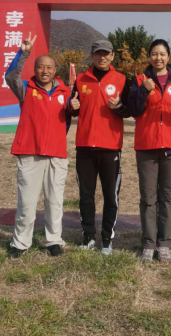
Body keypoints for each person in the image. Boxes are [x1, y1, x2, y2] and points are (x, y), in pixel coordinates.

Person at [5, 33, 72, 258]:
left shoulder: (65, 92)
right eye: (41, 67)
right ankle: (20, 243)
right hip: (30, 152)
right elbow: (10, 75)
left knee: (55, 201)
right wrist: (23, 53)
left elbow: (71, 116)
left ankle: (53, 240)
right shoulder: (25, 89)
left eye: (49, 67)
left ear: (55, 71)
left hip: (56, 154)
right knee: (27, 202)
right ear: (34, 69)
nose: (45, 71)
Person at [128, 39, 171, 262]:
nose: (158, 58)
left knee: (168, 197)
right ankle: (148, 243)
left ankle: (164, 244)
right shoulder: (140, 80)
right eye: (154, 54)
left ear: (168, 57)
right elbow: (133, 110)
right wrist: (143, 91)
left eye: (162, 54)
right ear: (149, 57)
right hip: (146, 147)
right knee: (148, 198)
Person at [69, 40, 131, 255]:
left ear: (112, 56)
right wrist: (71, 107)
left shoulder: (122, 79)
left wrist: (119, 107)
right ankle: (88, 236)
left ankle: (106, 239)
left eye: (106, 54)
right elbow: (73, 107)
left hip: (110, 147)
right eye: (98, 53)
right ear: (92, 55)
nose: (101, 57)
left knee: (110, 196)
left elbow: (130, 110)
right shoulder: (80, 79)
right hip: (85, 147)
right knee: (86, 195)